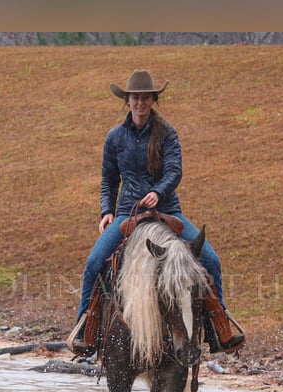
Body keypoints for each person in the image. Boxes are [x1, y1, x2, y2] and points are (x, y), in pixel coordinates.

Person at [70, 69, 244, 356]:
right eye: (135, 98)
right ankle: (85, 331)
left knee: (210, 259)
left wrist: (158, 192)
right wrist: (106, 211)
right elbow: (109, 180)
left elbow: (174, 171)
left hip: (166, 209)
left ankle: (219, 330)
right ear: (127, 101)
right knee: (95, 261)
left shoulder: (167, 133)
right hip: (128, 212)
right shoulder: (115, 137)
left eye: (146, 98)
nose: (140, 103)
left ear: (153, 100)